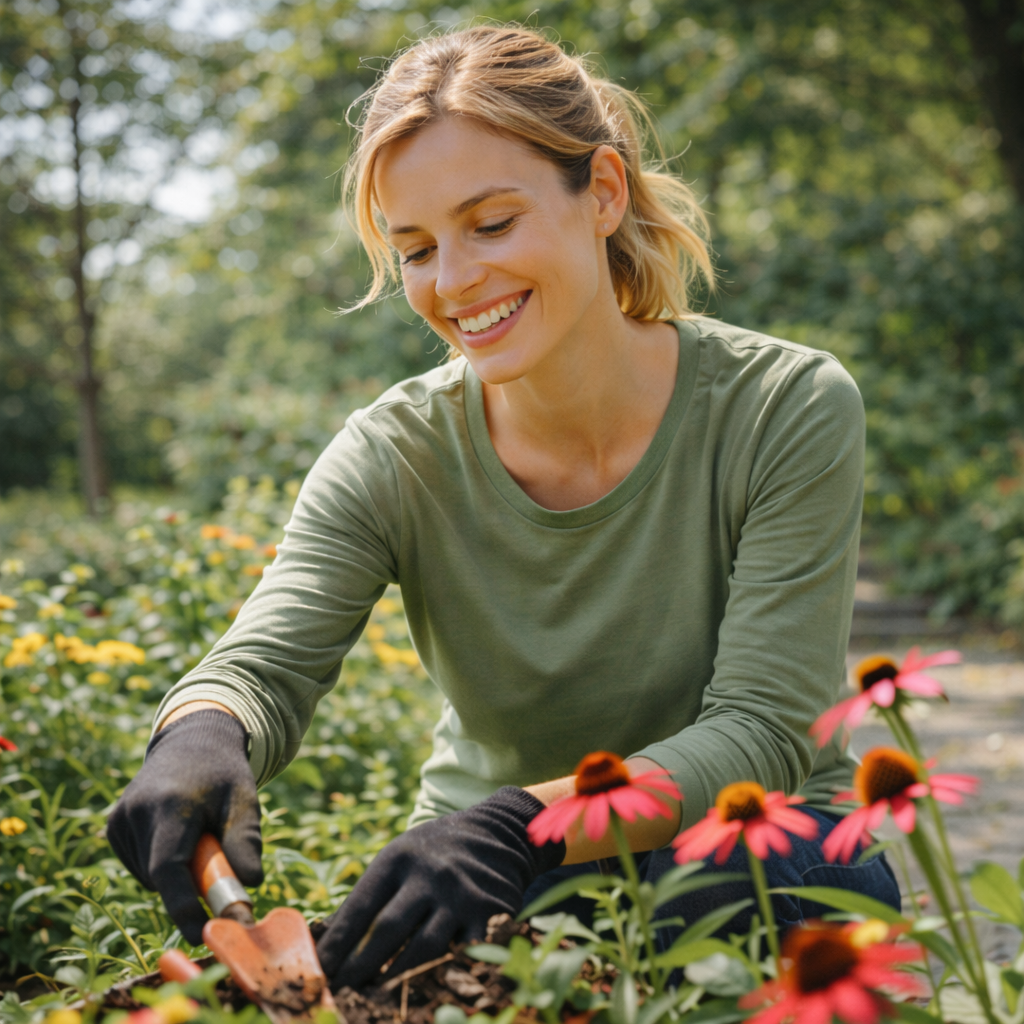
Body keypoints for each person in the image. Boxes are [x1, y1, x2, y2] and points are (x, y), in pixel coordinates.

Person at [108, 24, 900, 992]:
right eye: (415, 249)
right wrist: (200, 730)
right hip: (501, 883)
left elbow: (763, 734)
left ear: (602, 192)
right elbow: (263, 661)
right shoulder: (395, 454)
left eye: (490, 224)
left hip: (752, 852)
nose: (453, 281)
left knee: (710, 882)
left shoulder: (785, 408)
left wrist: (517, 821)